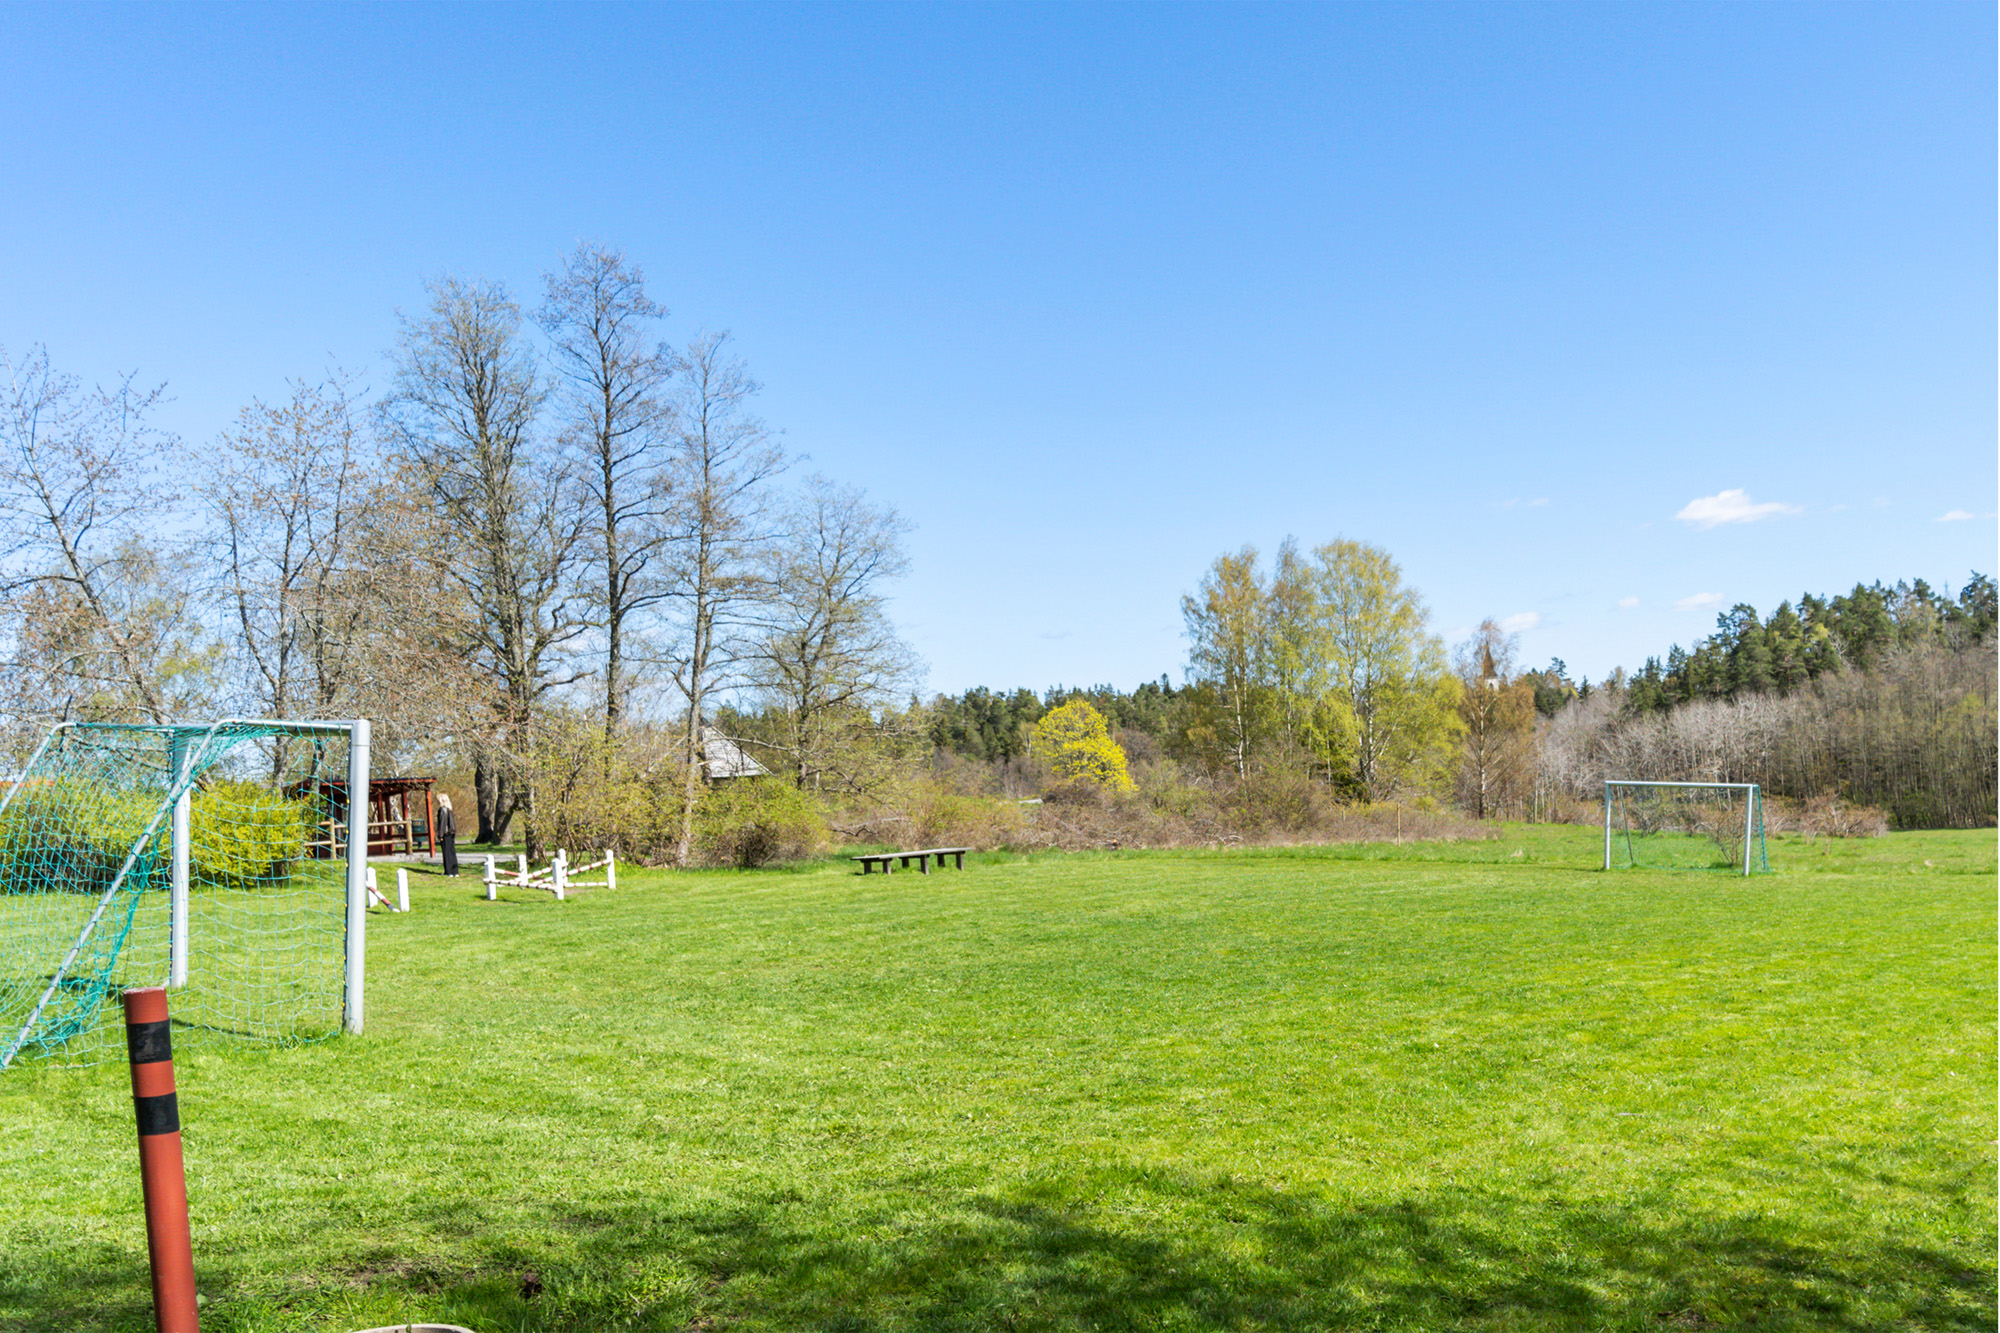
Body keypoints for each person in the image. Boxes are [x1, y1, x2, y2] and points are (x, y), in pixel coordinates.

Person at [436, 792, 459, 877]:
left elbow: (442, 823)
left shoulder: (442, 810)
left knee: (446, 852)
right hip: (451, 832)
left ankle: (448, 871)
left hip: (445, 833)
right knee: (452, 851)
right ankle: (455, 871)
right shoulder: (449, 809)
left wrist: (440, 835)